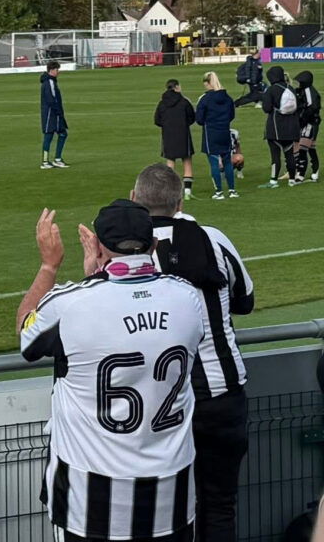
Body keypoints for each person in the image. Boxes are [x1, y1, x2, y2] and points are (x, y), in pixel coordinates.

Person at [18, 202, 206, 542]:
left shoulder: (71, 304)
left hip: (91, 500)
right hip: (172, 495)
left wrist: (49, 266)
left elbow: (27, 336)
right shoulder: (187, 298)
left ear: (100, 246)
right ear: (153, 245)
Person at [132, 164, 254, 542]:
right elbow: (245, 300)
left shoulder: (126, 251)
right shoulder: (212, 238)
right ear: (180, 201)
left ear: (135, 200)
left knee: (160, 511)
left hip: (156, 404)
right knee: (219, 504)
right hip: (221, 393)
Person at [195, 71, 238, 199]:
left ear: (208, 83)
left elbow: (199, 119)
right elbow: (232, 115)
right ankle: (232, 190)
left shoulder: (204, 99)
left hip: (211, 133)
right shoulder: (227, 98)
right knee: (227, 162)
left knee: (214, 162)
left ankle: (218, 192)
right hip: (224, 131)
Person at [260, 65, 301, 188]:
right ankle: (292, 180)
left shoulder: (271, 90)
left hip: (276, 127)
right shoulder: (291, 88)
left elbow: (266, 109)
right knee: (290, 154)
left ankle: (273, 181)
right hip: (292, 127)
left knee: (275, 155)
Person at [154, 79, 197, 199]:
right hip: (183, 134)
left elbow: (157, 120)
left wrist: (167, 126)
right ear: (177, 87)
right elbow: (192, 117)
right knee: (187, 161)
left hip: (168, 135)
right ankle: (187, 192)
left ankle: (170, 192)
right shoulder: (184, 101)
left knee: (170, 163)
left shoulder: (162, 103)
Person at [40, 60, 70, 169]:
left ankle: (56, 159)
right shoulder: (49, 82)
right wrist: (58, 112)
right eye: (57, 70)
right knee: (49, 136)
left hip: (54, 113)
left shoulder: (51, 81)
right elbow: (51, 99)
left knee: (62, 133)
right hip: (51, 114)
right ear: (52, 70)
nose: (58, 72)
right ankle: (45, 162)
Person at [295, 70, 321, 182]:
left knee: (303, 147)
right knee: (310, 148)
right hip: (309, 122)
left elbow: (311, 108)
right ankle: (315, 170)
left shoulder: (310, 92)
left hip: (310, 123)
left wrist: (301, 119)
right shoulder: (304, 91)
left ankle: (301, 173)